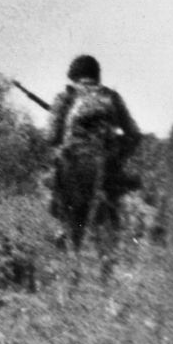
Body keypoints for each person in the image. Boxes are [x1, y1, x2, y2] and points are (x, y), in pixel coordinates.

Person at [46, 54, 144, 261]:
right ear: (96, 76)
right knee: (113, 200)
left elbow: (51, 137)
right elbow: (134, 135)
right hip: (105, 164)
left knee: (49, 182)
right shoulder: (112, 97)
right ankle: (110, 250)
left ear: (74, 76)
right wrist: (118, 155)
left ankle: (63, 229)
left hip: (72, 164)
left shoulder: (65, 97)